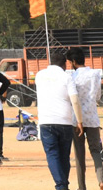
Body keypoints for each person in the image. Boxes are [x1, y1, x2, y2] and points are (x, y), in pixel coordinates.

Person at [36, 49, 84, 190]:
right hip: (64, 121)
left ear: (50, 63)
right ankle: (63, 184)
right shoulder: (66, 77)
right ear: (64, 65)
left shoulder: (39, 75)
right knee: (64, 156)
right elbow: (74, 100)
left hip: (46, 121)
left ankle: (61, 185)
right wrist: (79, 121)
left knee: (52, 154)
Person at [67, 47, 101, 190]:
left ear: (74, 62)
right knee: (96, 150)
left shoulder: (71, 77)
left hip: (76, 120)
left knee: (79, 154)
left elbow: (71, 98)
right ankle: (101, 179)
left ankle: (82, 187)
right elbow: (98, 96)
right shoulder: (95, 74)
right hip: (92, 118)